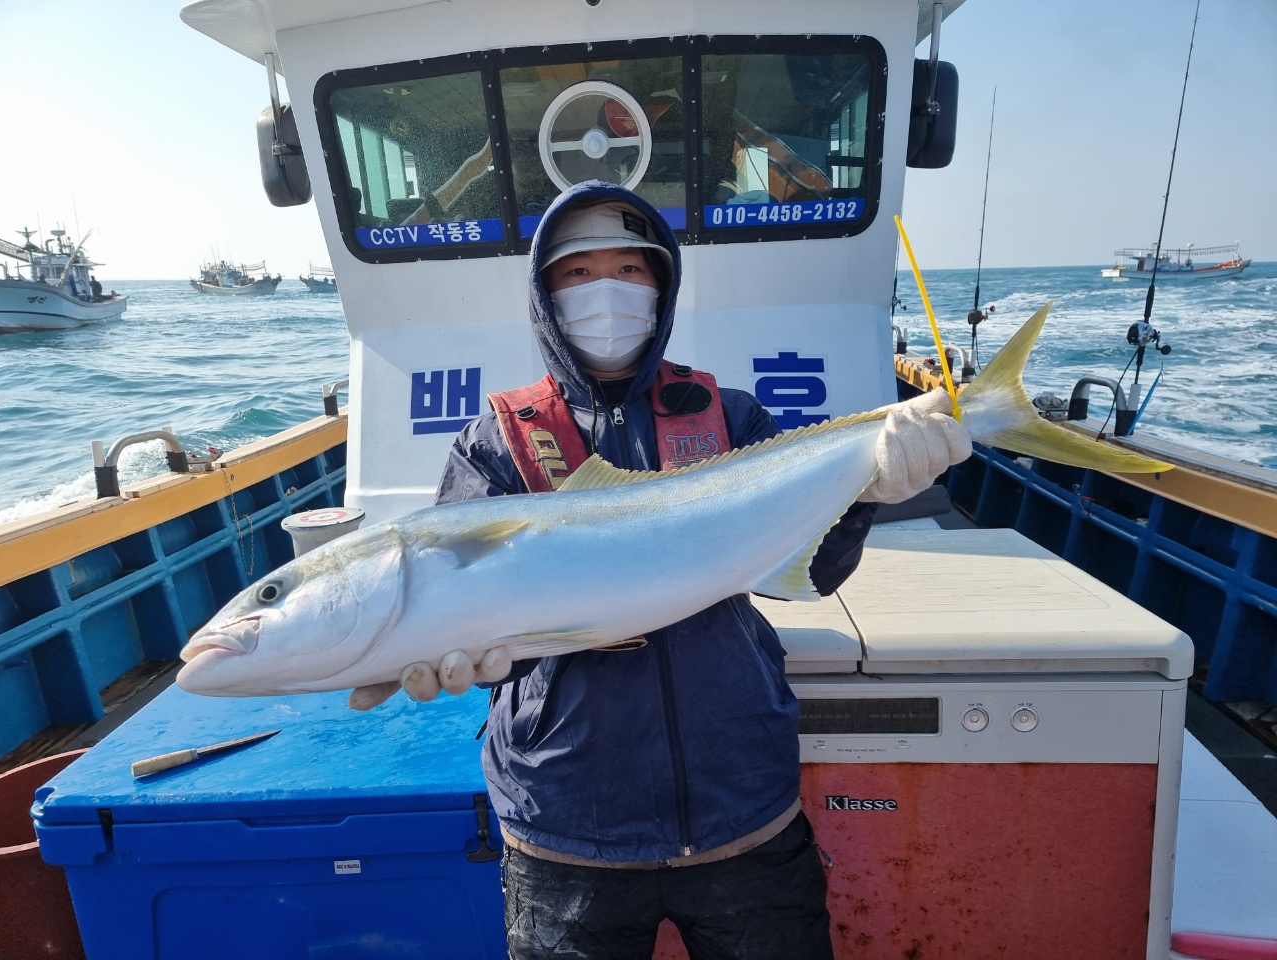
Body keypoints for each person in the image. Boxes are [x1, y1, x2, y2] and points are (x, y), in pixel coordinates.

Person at [352, 181, 971, 958]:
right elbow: (473, 626)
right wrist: (462, 654)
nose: (605, 291)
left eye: (629, 269)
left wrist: (863, 495)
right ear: (546, 295)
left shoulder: (731, 416)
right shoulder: (496, 443)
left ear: (660, 285)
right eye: (579, 273)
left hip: (741, 801)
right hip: (566, 819)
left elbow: (809, 574)